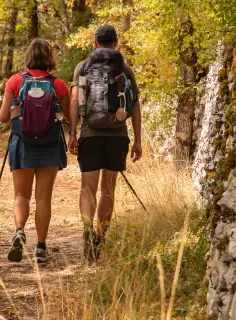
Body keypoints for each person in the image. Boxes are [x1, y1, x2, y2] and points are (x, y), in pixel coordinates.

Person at [68, 25, 143, 262]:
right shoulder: (125, 69)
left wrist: (72, 132)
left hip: (90, 134)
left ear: (95, 42)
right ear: (116, 42)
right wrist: (137, 139)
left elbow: (75, 100)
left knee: (87, 188)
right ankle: (100, 239)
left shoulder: (83, 67)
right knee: (108, 190)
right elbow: (135, 105)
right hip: (117, 135)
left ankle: (88, 231)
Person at [0, 38, 70, 264]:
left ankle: (19, 231)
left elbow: (3, 118)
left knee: (21, 195)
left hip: (22, 144)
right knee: (43, 198)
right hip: (49, 145)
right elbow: (69, 118)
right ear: (50, 58)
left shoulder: (16, 81)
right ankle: (40, 247)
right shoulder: (58, 85)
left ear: (29, 55)